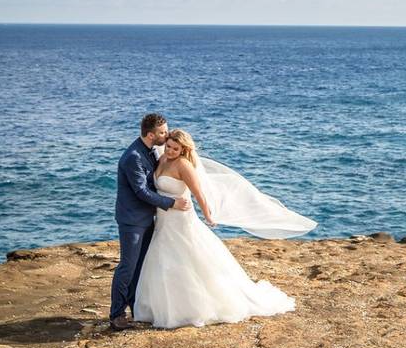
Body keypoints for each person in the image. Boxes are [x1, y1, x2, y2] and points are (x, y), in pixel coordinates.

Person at [132, 129, 318, 329]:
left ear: (183, 149)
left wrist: (208, 215)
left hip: (181, 219)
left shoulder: (184, 165)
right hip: (164, 219)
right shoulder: (162, 160)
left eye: (175, 149)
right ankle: (159, 307)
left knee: (186, 258)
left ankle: (191, 308)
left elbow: (199, 194)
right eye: (168, 146)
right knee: (163, 259)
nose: (170, 151)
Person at [109, 113, 192, 331]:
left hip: (149, 218)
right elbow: (141, 191)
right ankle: (117, 314)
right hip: (132, 221)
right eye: (163, 132)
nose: (167, 135)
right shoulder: (133, 157)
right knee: (127, 266)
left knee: (142, 266)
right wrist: (171, 203)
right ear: (150, 134)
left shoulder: (151, 151)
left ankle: (137, 309)